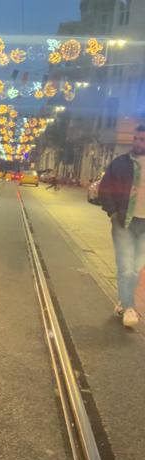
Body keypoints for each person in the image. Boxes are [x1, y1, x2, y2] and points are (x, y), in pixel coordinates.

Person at [98, 124, 145, 327]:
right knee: (126, 267)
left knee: (135, 268)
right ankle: (129, 308)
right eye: (136, 138)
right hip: (124, 222)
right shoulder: (120, 163)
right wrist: (113, 212)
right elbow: (105, 188)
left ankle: (123, 300)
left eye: (142, 139)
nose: (137, 143)